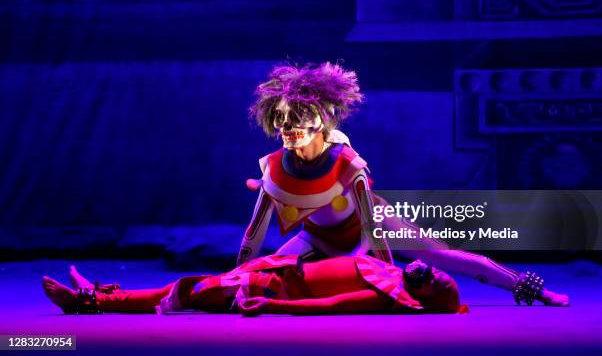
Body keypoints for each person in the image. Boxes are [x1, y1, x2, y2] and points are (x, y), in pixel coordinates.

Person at [237, 62, 569, 307]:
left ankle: (528, 287)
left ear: (321, 123)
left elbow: (370, 229)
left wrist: (385, 279)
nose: (292, 131)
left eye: (301, 122)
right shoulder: (276, 167)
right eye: (286, 125)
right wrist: (238, 277)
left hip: (375, 226)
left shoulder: (346, 158)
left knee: (445, 256)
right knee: (262, 273)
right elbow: (254, 232)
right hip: (316, 236)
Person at [41, 256, 464, 316]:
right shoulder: (387, 268)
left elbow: (331, 304)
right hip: (274, 273)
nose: (427, 269)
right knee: (184, 286)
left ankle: (87, 301)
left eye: (435, 279)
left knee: (186, 292)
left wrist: (270, 305)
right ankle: (97, 295)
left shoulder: (387, 293)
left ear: (423, 294)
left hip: (271, 290)